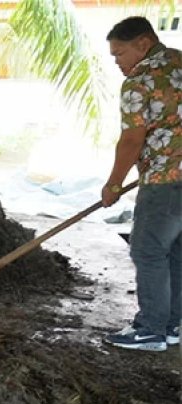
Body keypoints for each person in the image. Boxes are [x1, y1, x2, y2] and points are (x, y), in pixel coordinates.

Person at [102, 16, 181, 352]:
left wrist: (113, 184)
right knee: (176, 252)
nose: (118, 62)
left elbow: (131, 139)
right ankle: (172, 325)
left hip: (165, 181)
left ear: (143, 44)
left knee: (148, 250)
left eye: (120, 54)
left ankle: (150, 330)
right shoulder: (178, 62)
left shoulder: (140, 80)